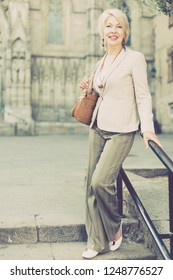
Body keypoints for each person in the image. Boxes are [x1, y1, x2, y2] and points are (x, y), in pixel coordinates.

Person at [79, 8, 162, 259]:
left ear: (125, 32)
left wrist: (147, 128)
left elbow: (143, 95)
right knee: (89, 185)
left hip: (122, 130)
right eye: (108, 26)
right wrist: (88, 85)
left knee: (100, 181)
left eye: (118, 26)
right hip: (98, 126)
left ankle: (115, 227)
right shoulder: (101, 60)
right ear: (102, 33)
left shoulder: (134, 58)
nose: (113, 30)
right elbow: (102, 89)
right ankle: (96, 242)